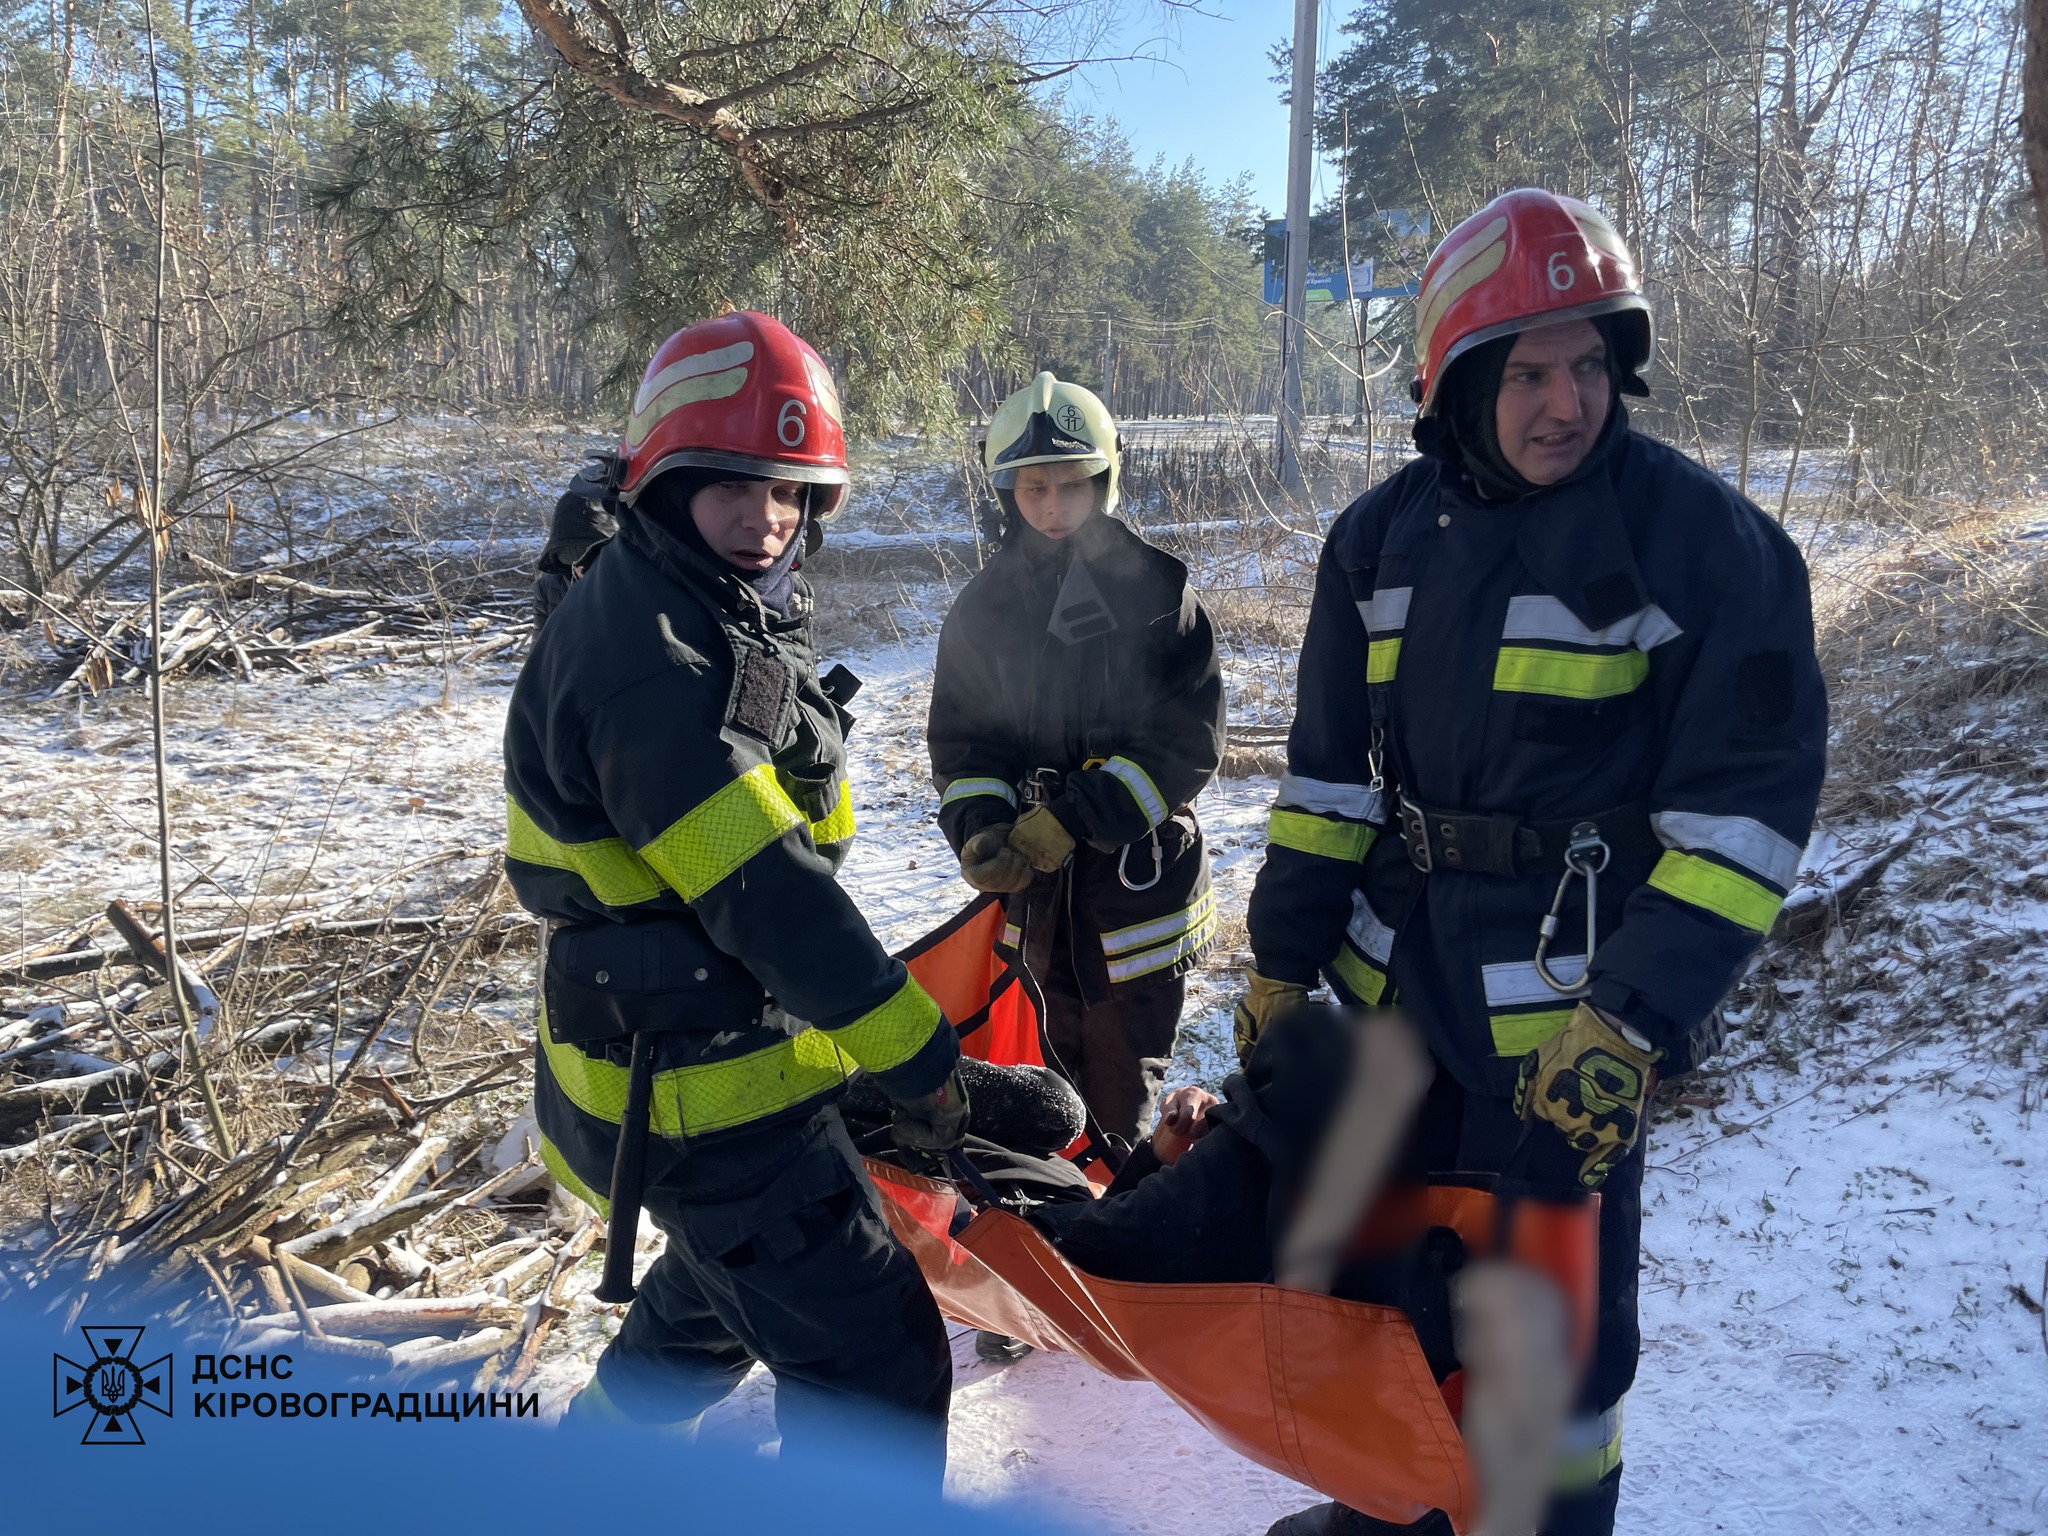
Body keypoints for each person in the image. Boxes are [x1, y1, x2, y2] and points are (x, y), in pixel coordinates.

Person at [1235, 190, 1828, 1535]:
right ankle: (1392, 1513)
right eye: (1529, 374)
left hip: (1566, 1026)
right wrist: (1278, 967)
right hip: (1394, 998)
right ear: (1453, 384)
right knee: (1383, 1296)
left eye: (1590, 365)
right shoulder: (1376, 543)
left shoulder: (1702, 545)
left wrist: (1630, 1018)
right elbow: (1327, 787)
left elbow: (1739, 822)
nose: (1568, 403)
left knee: (1550, 1348)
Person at [503, 311, 969, 1476]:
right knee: (875, 1374)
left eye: (788, 492)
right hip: (694, 1099)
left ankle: (587, 1475)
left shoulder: (692, 596)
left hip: (670, 1065)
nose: (765, 518)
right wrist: (918, 1058)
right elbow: (769, 897)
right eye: (731, 486)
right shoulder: (650, 661)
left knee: (715, 1299)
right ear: (667, 484)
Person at [927, 372, 1225, 1160]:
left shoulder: (1160, 595)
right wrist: (981, 826)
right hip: (1037, 900)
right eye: (1034, 488)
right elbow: (964, 745)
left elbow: (1187, 742)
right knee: (1043, 1095)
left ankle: (1122, 1212)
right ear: (1007, 491)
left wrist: (1077, 815)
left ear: (1104, 479)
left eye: (1071, 484)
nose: (1054, 505)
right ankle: (1056, 1215)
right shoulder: (982, 609)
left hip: (1135, 900)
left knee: (1121, 1103)